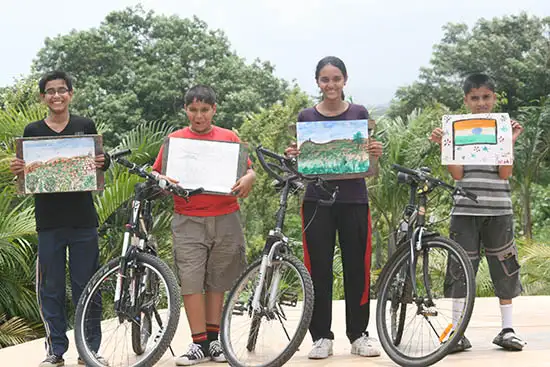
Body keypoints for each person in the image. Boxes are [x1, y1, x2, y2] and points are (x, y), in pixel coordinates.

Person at [9, 70, 109, 367]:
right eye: (50, 91)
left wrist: (105, 160)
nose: (56, 95)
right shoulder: (32, 130)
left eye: (61, 90)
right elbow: (26, 172)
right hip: (48, 223)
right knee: (50, 287)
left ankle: (90, 349)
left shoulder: (84, 126)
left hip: (83, 221)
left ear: (71, 94)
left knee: (87, 287)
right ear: (43, 97)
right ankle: (56, 350)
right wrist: (19, 168)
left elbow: (100, 165)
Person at [285, 56, 383, 360]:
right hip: (317, 202)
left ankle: (359, 335)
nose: (331, 85)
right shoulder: (306, 117)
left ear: (345, 81)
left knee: (357, 268)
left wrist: (374, 154)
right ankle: (321, 337)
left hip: (354, 200)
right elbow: (301, 169)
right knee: (319, 271)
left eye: (336, 79)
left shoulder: (359, 114)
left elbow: (370, 171)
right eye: (325, 79)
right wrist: (294, 156)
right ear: (317, 82)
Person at [151, 85, 256, 366]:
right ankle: (198, 343)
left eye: (205, 110)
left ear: (214, 110)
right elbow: (156, 173)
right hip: (187, 219)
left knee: (218, 280)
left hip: (226, 217)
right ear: (186, 110)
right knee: (191, 280)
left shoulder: (228, 137)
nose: (199, 116)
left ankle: (215, 341)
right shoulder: (174, 140)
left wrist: (250, 178)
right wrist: (163, 181)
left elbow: (248, 169)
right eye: (193, 110)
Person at [430, 73, 526, 352]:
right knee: (461, 267)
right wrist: (444, 146)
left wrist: (510, 141)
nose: (481, 103)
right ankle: (457, 331)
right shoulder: (457, 130)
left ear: (494, 98)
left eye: (486, 97)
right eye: (475, 98)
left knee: (504, 266)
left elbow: (504, 173)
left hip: (498, 209)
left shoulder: (501, 129)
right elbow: (458, 174)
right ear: (466, 100)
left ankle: (507, 329)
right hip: (465, 209)